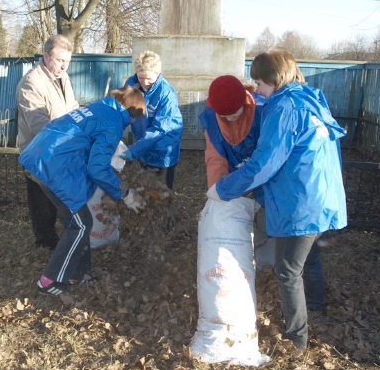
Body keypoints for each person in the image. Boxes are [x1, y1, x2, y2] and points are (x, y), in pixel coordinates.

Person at [207, 50, 347, 349]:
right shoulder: (309, 99)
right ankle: (318, 305)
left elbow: (264, 163)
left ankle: (297, 339)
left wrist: (223, 189)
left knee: (287, 271)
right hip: (321, 195)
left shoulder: (284, 109)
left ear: (274, 79)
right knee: (309, 255)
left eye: (258, 82)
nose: (256, 89)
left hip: (300, 200)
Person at [19, 86, 147, 297]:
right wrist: (125, 195)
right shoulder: (112, 122)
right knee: (81, 224)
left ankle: (80, 273)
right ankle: (49, 280)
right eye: (136, 118)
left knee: (79, 222)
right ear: (131, 113)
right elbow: (97, 168)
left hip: (40, 155)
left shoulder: (100, 107)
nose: (133, 123)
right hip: (52, 166)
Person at [199, 75, 275, 270]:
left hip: (264, 174)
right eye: (224, 115)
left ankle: (266, 267)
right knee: (232, 216)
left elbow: (267, 159)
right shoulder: (212, 120)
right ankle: (233, 260)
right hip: (235, 177)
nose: (230, 118)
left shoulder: (262, 110)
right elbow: (216, 158)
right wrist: (217, 191)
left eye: (234, 112)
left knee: (267, 220)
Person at [17, 34, 79, 249]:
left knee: (54, 197)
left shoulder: (62, 78)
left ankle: (53, 238)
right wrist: (70, 137)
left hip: (57, 151)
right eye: (60, 60)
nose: (64, 66)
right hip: (38, 153)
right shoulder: (31, 83)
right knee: (41, 200)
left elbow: (71, 107)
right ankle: (44, 243)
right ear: (46, 56)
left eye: (67, 62)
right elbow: (39, 124)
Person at [122, 50, 183, 190]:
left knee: (162, 191)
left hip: (162, 147)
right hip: (142, 142)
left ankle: (164, 211)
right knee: (143, 187)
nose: (145, 82)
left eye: (149, 78)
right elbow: (123, 110)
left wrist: (136, 150)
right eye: (141, 77)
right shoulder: (131, 85)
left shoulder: (167, 94)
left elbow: (160, 128)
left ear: (158, 73)